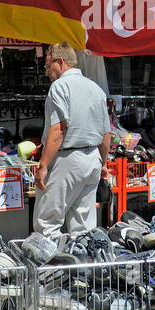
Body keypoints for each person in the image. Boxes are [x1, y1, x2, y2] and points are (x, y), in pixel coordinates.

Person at [34, 42, 113, 237]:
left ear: (60, 62)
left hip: (67, 160)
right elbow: (106, 134)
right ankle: (82, 266)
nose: (46, 71)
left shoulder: (59, 87)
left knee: (48, 225)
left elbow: (59, 129)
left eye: (47, 65)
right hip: (92, 160)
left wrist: (43, 166)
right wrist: (103, 163)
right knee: (83, 228)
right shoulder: (96, 89)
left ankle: (51, 267)